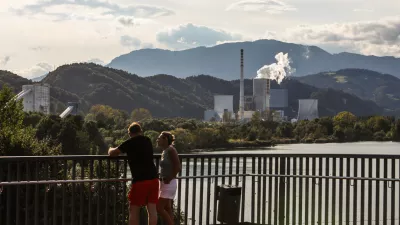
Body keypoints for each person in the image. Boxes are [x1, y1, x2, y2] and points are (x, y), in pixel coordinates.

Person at [108, 122, 159, 225]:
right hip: (154, 179)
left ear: (129, 133)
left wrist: (109, 149)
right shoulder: (147, 140)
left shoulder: (130, 142)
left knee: (133, 209)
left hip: (140, 180)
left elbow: (113, 153)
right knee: (152, 210)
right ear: (140, 131)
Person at [156, 131, 181, 225]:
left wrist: (169, 178)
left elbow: (178, 167)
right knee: (167, 208)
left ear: (165, 139)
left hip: (169, 183)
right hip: (164, 183)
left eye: (159, 138)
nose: (157, 140)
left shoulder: (171, 150)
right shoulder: (165, 150)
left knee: (158, 208)